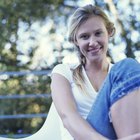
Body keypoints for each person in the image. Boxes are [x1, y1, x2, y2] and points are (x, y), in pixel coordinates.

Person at [50, 4, 140, 140]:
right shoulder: (63, 72)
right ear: (76, 41)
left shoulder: (120, 78)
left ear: (109, 32)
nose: (92, 42)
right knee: (128, 66)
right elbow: (68, 117)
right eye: (85, 37)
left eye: (98, 33)